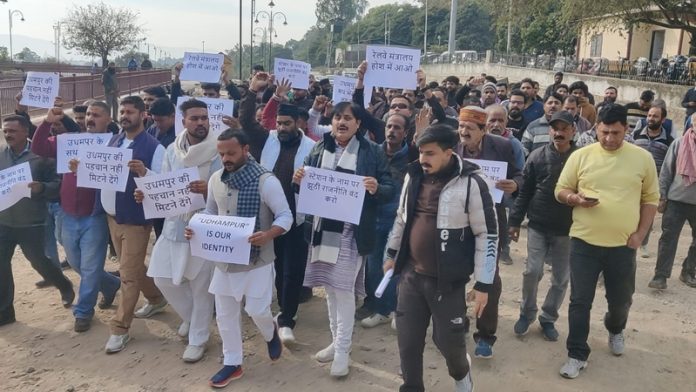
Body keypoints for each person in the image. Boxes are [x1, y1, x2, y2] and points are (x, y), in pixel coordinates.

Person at [384, 123, 498, 392]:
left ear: (449, 152)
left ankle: (462, 376)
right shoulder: (413, 176)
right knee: (408, 342)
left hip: (447, 282)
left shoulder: (472, 183)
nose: (423, 159)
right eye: (421, 152)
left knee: (449, 343)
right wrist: (391, 253)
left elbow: (487, 235)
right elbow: (402, 219)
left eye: (430, 153)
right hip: (411, 276)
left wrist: (483, 284)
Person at [555, 104, 659, 379]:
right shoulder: (581, 156)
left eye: (616, 133)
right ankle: (577, 353)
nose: (610, 139)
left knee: (620, 300)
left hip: (623, 246)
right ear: (596, 128)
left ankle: (615, 328)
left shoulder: (642, 158)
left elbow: (650, 199)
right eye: (604, 132)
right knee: (580, 301)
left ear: (626, 129)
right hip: (584, 243)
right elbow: (561, 190)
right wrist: (575, 199)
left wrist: (640, 235)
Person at [294, 101, 395, 377]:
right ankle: (335, 341)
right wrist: (299, 177)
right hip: (321, 230)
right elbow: (303, 181)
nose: (342, 122)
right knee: (328, 287)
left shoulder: (371, 151)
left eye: (348, 118)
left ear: (358, 124)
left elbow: (389, 188)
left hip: (352, 232)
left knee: (343, 290)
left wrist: (376, 187)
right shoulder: (319, 147)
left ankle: (342, 351)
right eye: (337, 116)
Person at [187, 129, 291, 388]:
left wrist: (268, 234)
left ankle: (270, 334)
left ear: (246, 149)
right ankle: (233, 363)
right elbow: (210, 213)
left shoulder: (265, 181)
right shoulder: (215, 180)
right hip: (224, 261)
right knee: (224, 314)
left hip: (257, 261)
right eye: (221, 154)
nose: (226, 158)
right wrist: (195, 229)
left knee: (256, 309)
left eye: (231, 153)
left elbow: (286, 216)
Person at [137, 99, 221, 362]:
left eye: (204, 118)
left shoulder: (219, 149)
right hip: (174, 225)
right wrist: (147, 191)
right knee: (163, 279)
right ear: (182, 121)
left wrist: (208, 190)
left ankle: (198, 338)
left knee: (200, 287)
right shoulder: (173, 150)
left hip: (206, 226)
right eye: (194, 118)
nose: (200, 123)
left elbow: (230, 187)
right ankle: (193, 318)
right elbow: (164, 183)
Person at [86, 96, 168, 353]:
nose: (125, 115)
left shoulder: (155, 148)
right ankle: (156, 298)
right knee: (131, 268)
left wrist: (144, 173)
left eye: (130, 112)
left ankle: (120, 329)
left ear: (143, 115)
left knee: (128, 276)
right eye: (122, 111)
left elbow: (162, 184)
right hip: (113, 218)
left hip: (135, 221)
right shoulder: (116, 139)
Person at [31, 102, 121, 332]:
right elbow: (40, 148)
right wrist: (47, 122)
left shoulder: (115, 144)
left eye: (97, 115)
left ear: (108, 120)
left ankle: (83, 312)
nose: (90, 118)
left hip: (95, 216)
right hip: (68, 213)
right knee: (76, 262)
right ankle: (110, 284)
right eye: (88, 114)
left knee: (90, 267)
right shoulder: (70, 141)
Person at [455, 106, 522, 357]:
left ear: (483, 131)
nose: (463, 132)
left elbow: (519, 174)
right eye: (461, 126)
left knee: (489, 279)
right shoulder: (450, 146)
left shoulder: (502, 147)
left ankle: (485, 335)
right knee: (455, 276)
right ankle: (457, 320)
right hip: (456, 222)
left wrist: (514, 184)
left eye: (470, 128)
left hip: (490, 221)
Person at [509, 111, 577, 341]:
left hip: (568, 229)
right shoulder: (537, 156)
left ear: (573, 131)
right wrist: (515, 222)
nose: (558, 132)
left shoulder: (581, 158)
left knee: (560, 278)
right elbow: (525, 191)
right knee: (531, 271)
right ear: (550, 131)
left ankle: (548, 318)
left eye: (564, 128)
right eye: (554, 128)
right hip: (538, 224)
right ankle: (526, 314)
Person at [0, 115, 75, 327]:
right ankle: (5, 312)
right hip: (4, 220)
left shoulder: (41, 156)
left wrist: (41, 188)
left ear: (25, 132)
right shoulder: (1, 154)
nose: (8, 135)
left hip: (31, 221)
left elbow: (57, 186)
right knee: (1, 265)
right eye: (5, 131)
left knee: (38, 261)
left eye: (12, 131)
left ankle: (63, 285)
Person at [258, 98, 315, 344]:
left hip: (298, 219)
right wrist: (265, 95)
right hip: (269, 219)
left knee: (293, 270)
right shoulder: (268, 140)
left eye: (287, 123)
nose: (281, 128)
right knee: (276, 268)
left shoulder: (313, 147)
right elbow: (251, 122)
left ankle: (287, 318)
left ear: (298, 123)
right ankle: (282, 307)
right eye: (279, 123)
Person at [359, 113, 411, 329]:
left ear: (406, 132)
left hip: (400, 220)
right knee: (373, 267)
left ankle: (398, 311)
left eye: (398, 127)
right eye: (389, 126)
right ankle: (381, 309)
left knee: (396, 266)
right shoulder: (373, 152)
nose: (392, 131)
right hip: (373, 216)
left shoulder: (413, 156)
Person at [647, 113, 696, 290]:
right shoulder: (679, 144)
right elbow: (666, 172)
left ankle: (688, 271)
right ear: (692, 124)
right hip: (676, 200)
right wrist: (662, 197)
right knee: (668, 239)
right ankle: (660, 276)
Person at [632, 105, 674, 258]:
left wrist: (664, 191)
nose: (651, 119)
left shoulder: (669, 141)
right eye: (649, 115)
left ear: (663, 119)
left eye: (655, 116)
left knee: (647, 215)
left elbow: (669, 166)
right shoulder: (636, 135)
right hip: (634, 182)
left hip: (653, 185)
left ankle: (643, 243)